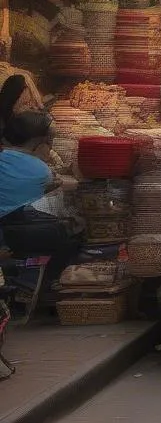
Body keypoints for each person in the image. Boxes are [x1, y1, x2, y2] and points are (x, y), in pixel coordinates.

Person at [0, 110, 79, 297]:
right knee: (68, 233)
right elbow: (55, 185)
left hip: (8, 228)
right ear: (40, 144)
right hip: (9, 232)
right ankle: (47, 287)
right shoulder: (39, 169)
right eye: (50, 143)